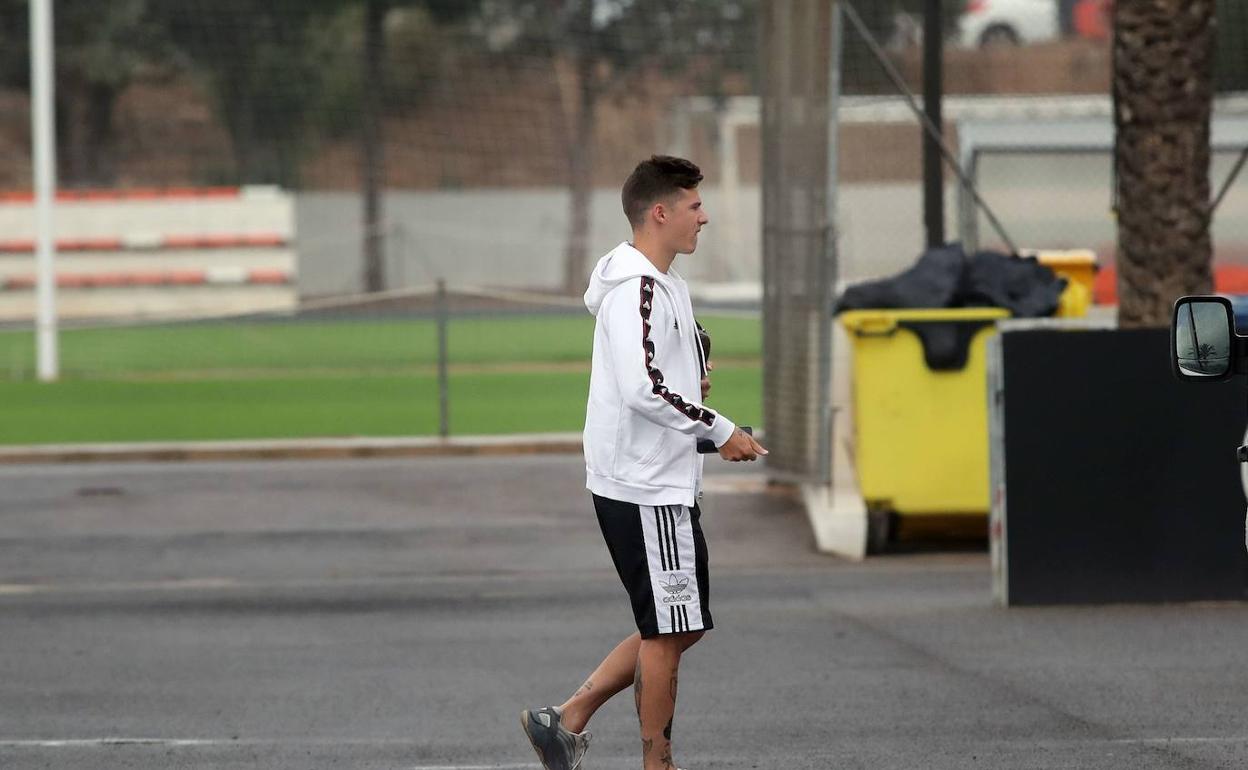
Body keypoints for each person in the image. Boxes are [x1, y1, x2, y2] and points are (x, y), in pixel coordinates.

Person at [520, 155, 768, 770]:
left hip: (651, 478)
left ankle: (567, 720)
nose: (704, 217)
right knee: (668, 630)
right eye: (693, 206)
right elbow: (644, 389)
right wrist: (721, 430)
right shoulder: (637, 289)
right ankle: (656, 763)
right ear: (660, 212)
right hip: (645, 486)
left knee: (681, 623)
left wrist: (700, 385)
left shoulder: (662, 286)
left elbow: (662, 378)